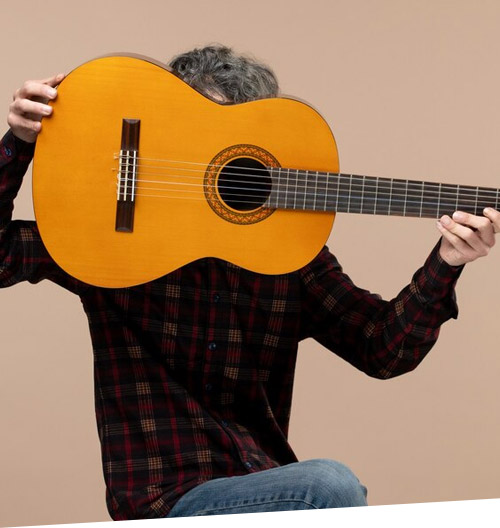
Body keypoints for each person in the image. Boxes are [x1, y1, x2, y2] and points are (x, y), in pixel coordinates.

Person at [1, 45, 499, 520]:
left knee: (326, 489)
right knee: (329, 487)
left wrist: (447, 261)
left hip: (266, 486)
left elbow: (382, 348)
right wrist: (18, 144)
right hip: (163, 500)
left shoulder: (288, 256)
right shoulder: (111, 244)